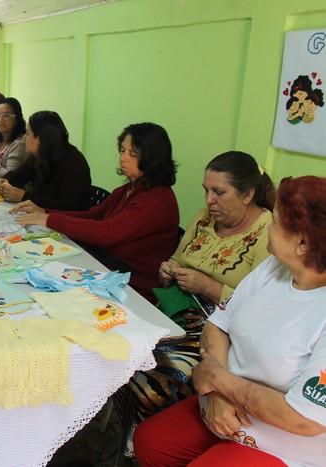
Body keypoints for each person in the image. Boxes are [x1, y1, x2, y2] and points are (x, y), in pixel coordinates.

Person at [134, 176, 326, 466]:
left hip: (282, 441)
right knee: (150, 441)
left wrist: (217, 379)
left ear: (302, 243)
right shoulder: (275, 268)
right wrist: (217, 395)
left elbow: (304, 419)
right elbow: (218, 324)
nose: (267, 229)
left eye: (274, 223)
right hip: (223, 402)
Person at [123, 151, 275, 454]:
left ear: (248, 194)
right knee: (120, 349)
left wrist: (210, 287)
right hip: (175, 310)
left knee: (152, 373)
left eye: (219, 192)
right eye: (206, 190)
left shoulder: (266, 231)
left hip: (220, 330)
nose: (209, 200)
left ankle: (148, 438)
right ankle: (141, 433)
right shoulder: (206, 218)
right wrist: (167, 269)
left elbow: (262, 307)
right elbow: (178, 258)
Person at [10, 122, 178, 301]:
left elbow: (108, 232)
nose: (123, 158)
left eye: (132, 154)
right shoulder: (130, 188)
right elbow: (93, 215)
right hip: (108, 267)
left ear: (152, 157)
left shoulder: (157, 198)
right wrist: (44, 212)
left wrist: (49, 219)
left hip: (133, 287)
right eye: (122, 151)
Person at [0, 110, 92, 211]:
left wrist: (24, 196)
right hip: (42, 218)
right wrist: (4, 181)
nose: (24, 138)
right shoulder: (38, 157)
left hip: (70, 222)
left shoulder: (74, 162)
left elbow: (65, 207)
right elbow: (16, 177)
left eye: (28, 134)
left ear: (40, 139)